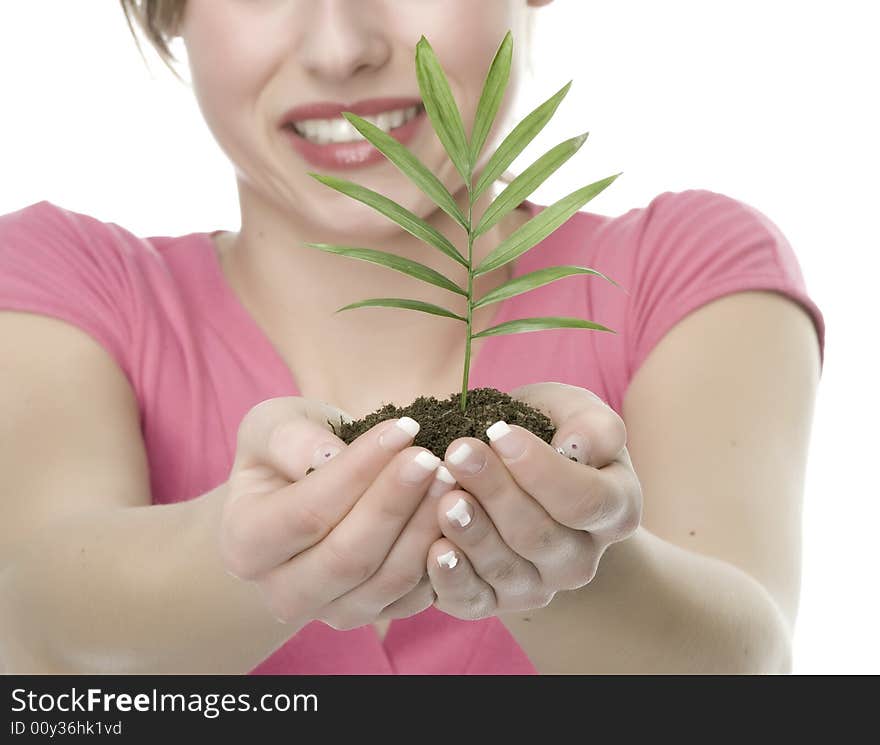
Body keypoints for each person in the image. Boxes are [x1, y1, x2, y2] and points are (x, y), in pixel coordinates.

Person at [0, 0, 824, 675]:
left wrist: (570, 554)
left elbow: (747, 664)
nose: (340, 46)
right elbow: (35, 628)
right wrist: (253, 551)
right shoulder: (64, 285)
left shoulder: (681, 269)